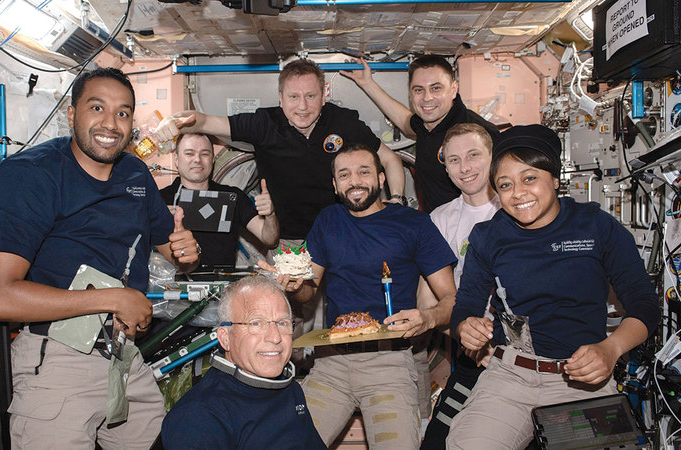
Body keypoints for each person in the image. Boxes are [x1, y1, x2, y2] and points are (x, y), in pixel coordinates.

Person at [0, 67, 200, 449]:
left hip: (122, 357)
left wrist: (187, 253)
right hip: (59, 359)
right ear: (71, 113)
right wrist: (114, 299)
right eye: (97, 108)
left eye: (123, 113)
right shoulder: (31, 175)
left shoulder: (135, 174)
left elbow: (178, 254)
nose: (110, 123)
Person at [155, 58, 408, 359]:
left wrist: (397, 202)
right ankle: (290, 372)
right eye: (293, 97)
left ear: (324, 95)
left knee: (348, 310)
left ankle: (346, 367)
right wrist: (174, 122)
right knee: (289, 315)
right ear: (280, 98)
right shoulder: (265, 124)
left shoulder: (343, 122)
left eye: (311, 96)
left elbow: (390, 160)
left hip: (341, 235)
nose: (302, 106)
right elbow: (205, 121)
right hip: (290, 243)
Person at [447, 125, 660, 449]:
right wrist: (466, 327)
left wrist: (611, 349)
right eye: (505, 184)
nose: (518, 193)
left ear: (555, 179)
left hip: (581, 379)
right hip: (511, 377)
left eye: (529, 178)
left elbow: (645, 304)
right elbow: (465, 306)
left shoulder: (596, 227)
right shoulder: (488, 236)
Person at [268, 143, 458, 449]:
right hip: (332, 362)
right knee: (287, 444)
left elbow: (451, 298)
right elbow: (308, 291)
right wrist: (293, 287)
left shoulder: (414, 223)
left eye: (363, 172)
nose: (354, 181)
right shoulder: (328, 220)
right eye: (344, 175)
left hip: (389, 363)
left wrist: (428, 318)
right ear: (335, 185)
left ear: (381, 179)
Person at [161, 275, 326, 450]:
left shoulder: (290, 389)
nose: (275, 337)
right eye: (256, 323)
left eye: (282, 323)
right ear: (225, 338)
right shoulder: (200, 417)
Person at [417, 123, 500, 449]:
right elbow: (428, 305)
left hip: (526, 352)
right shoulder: (439, 220)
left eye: (473, 155)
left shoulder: (517, 207)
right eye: (454, 160)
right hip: (473, 352)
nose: (464, 168)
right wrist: (470, 339)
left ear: (492, 156)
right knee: (438, 441)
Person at [341, 55, 499, 213]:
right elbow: (405, 122)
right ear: (410, 94)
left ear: (453, 89)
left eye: (436, 88)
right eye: (418, 90)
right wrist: (367, 83)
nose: (427, 98)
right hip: (436, 221)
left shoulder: (480, 133)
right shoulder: (425, 124)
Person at [159, 133, 279, 269]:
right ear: (176, 159)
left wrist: (270, 214)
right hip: (176, 280)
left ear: (212, 159)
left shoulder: (233, 196)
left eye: (204, 154)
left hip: (224, 280)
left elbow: (269, 239)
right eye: (189, 154)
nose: (197, 159)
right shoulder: (160, 200)